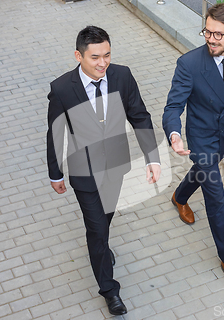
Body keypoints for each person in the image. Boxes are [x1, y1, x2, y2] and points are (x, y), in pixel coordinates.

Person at [46, 26, 161, 315]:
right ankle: (110, 290)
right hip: (83, 171)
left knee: (105, 218)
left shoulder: (122, 76)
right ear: (78, 56)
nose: (103, 63)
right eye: (95, 57)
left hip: (116, 165)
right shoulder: (61, 88)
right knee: (96, 228)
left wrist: (152, 158)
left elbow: (140, 115)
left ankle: (101, 246)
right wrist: (55, 172)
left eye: (107, 55)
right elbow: (55, 133)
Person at [162, 3, 224, 286]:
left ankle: (179, 196)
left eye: (218, 34)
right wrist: (174, 135)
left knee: (202, 172)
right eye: (207, 31)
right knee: (217, 198)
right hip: (201, 138)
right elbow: (173, 106)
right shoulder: (189, 64)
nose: (211, 39)